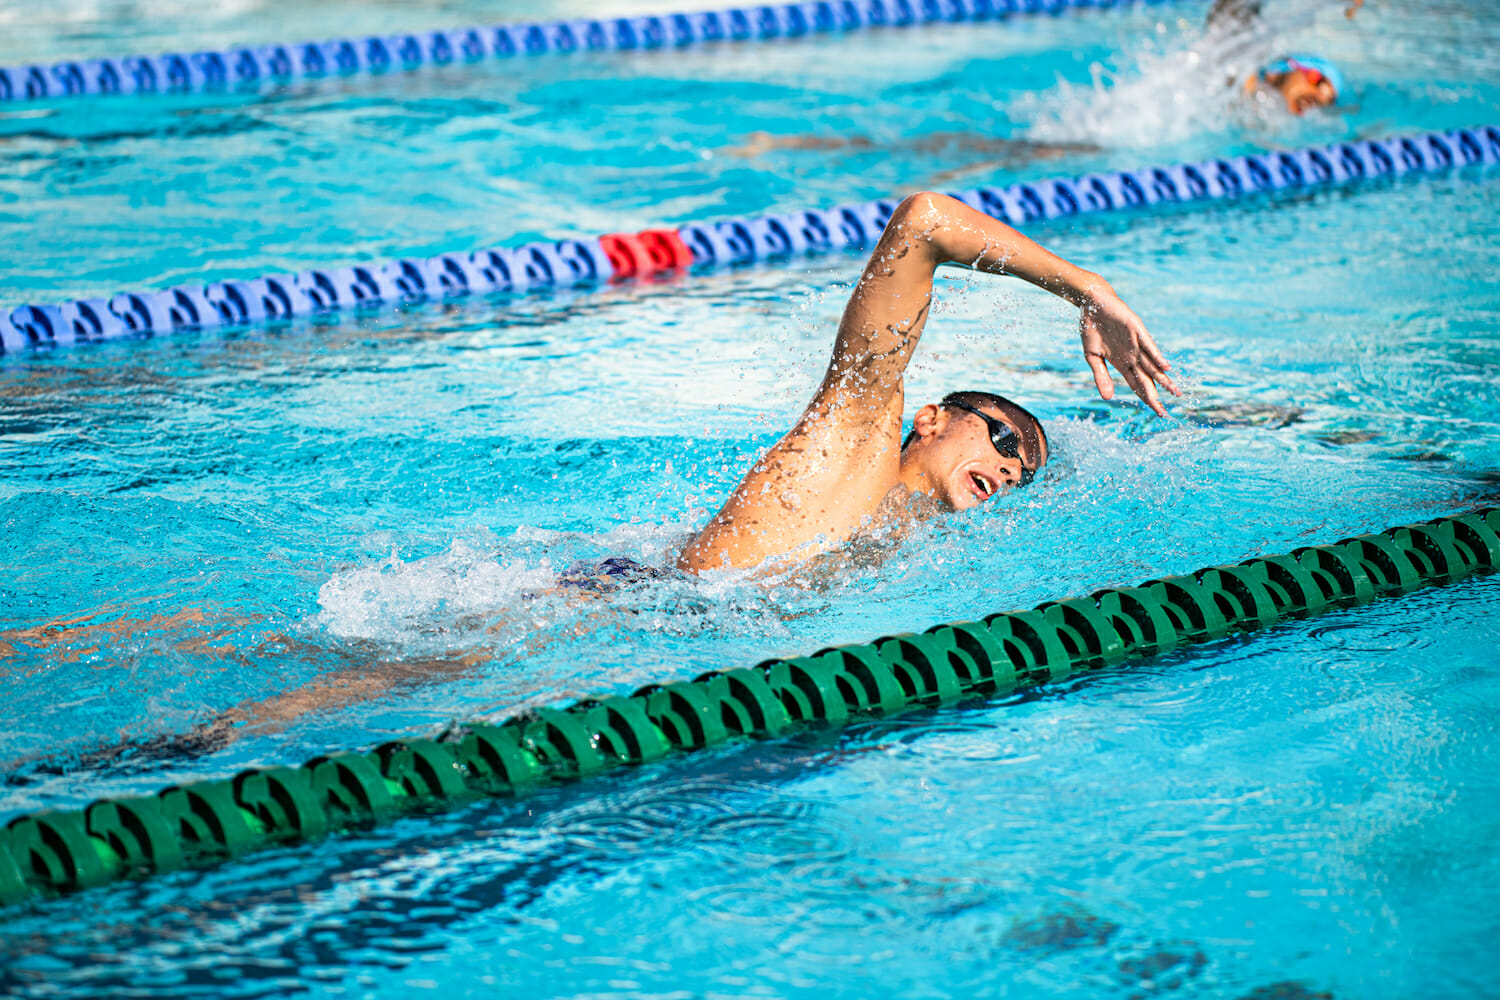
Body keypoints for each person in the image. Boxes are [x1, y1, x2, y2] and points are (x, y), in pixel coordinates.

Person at [677, 190, 1178, 574]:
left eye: (1021, 475)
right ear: (930, 420)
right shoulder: (851, 444)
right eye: (1004, 440)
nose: (1008, 469)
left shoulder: (909, 545)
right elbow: (924, 222)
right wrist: (1089, 290)